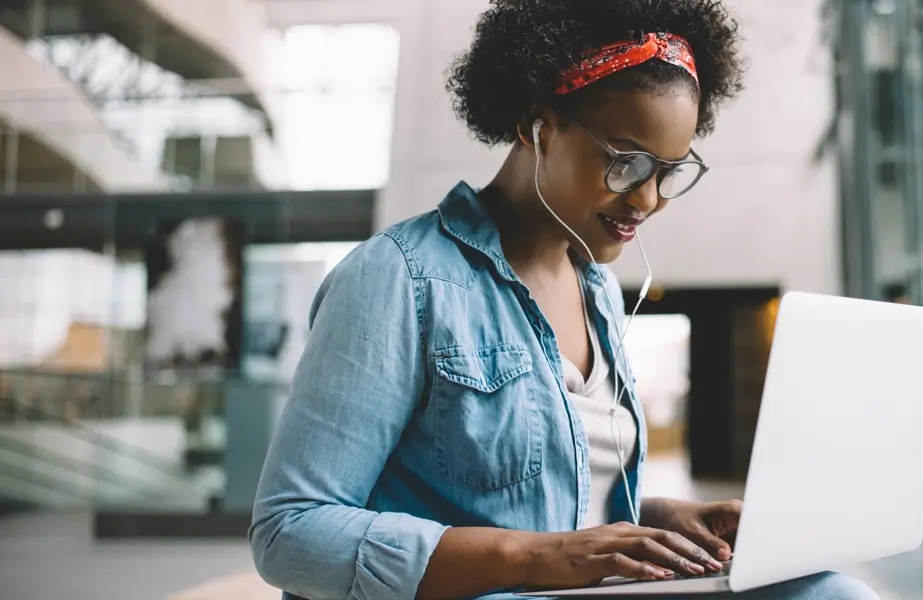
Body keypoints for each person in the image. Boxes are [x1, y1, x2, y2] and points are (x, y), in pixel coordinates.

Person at [249, 2, 880, 600]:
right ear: (537, 127)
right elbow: (290, 531)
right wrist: (537, 558)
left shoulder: (596, 289)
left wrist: (659, 522)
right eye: (626, 163)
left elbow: (555, 492)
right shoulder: (397, 278)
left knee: (833, 592)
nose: (647, 199)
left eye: (669, 171)